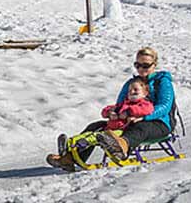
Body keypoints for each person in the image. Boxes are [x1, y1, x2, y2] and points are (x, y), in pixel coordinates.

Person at [47, 47, 175, 170]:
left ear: (154, 64)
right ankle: (70, 157)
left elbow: (164, 106)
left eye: (145, 65)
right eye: (138, 65)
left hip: (159, 123)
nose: (141, 69)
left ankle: (121, 147)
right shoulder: (132, 83)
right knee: (97, 126)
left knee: (141, 127)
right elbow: (120, 104)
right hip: (129, 121)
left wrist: (143, 117)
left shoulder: (162, 82)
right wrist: (113, 113)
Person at [57, 77, 153, 166]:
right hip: (109, 127)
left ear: (145, 93)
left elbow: (147, 110)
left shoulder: (144, 103)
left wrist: (128, 112)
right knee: (92, 131)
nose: (132, 92)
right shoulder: (122, 104)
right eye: (130, 90)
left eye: (136, 90)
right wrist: (110, 112)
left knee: (96, 137)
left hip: (122, 131)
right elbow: (106, 110)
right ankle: (69, 144)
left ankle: (81, 143)